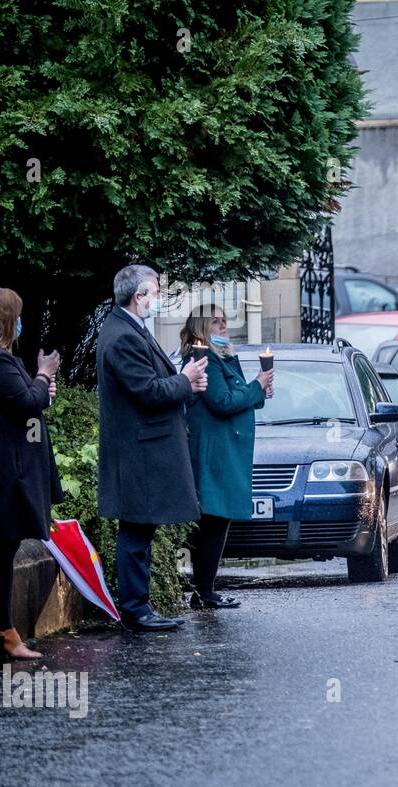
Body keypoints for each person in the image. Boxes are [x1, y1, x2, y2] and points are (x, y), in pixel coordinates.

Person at [97, 265, 209, 632]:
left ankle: (138, 605)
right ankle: (135, 607)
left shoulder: (128, 329)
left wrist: (179, 379)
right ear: (138, 296)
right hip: (139, 451)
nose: (159, 300)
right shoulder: (123, 335)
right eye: (156, 292)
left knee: (141, 529)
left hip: (143, 448)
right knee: (136, 529)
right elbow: (147, 391)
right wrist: (185, 380)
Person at [0, 288, 63, 661]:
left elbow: (31, 402)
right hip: (6, 474)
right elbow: (28, 403)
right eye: (17, 315)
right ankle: (5, 633)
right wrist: (43, 374)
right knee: (1, 550)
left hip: (12, 469)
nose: (21, 322)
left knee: (5, 549)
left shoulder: (1, 359)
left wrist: (42, 386)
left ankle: (6, 633)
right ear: (6, 319)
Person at [181, 305, 273, 609]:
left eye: (224, 321)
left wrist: (259, 389)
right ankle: (204, 592)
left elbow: (243, 398)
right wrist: (256, 387)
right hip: (214, 452)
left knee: (218, 521)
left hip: (227, 450)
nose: (223, 327)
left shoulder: (226, 358)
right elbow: (222, 401)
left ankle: (205, 590)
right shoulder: (203, 360)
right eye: (215, 322)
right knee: (213, 520)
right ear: (201, 329)